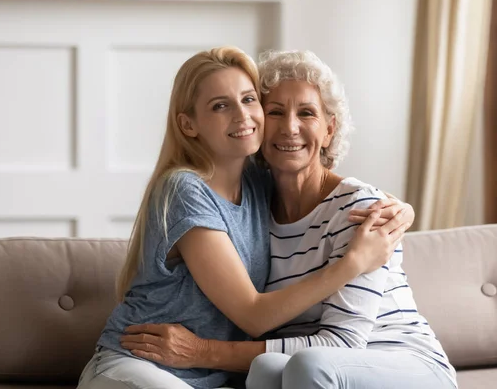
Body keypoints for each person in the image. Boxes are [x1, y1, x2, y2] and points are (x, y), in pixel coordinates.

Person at [77, 47, 412, 389]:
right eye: (220, 106)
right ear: (188, 124)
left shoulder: (259, 182)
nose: (242, 116)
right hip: (137, 366)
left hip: (211, 379)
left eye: (249, 99)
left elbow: (321, 184)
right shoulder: (184, 188)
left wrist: (400, 209)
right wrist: (353, 262)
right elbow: (254, 315)